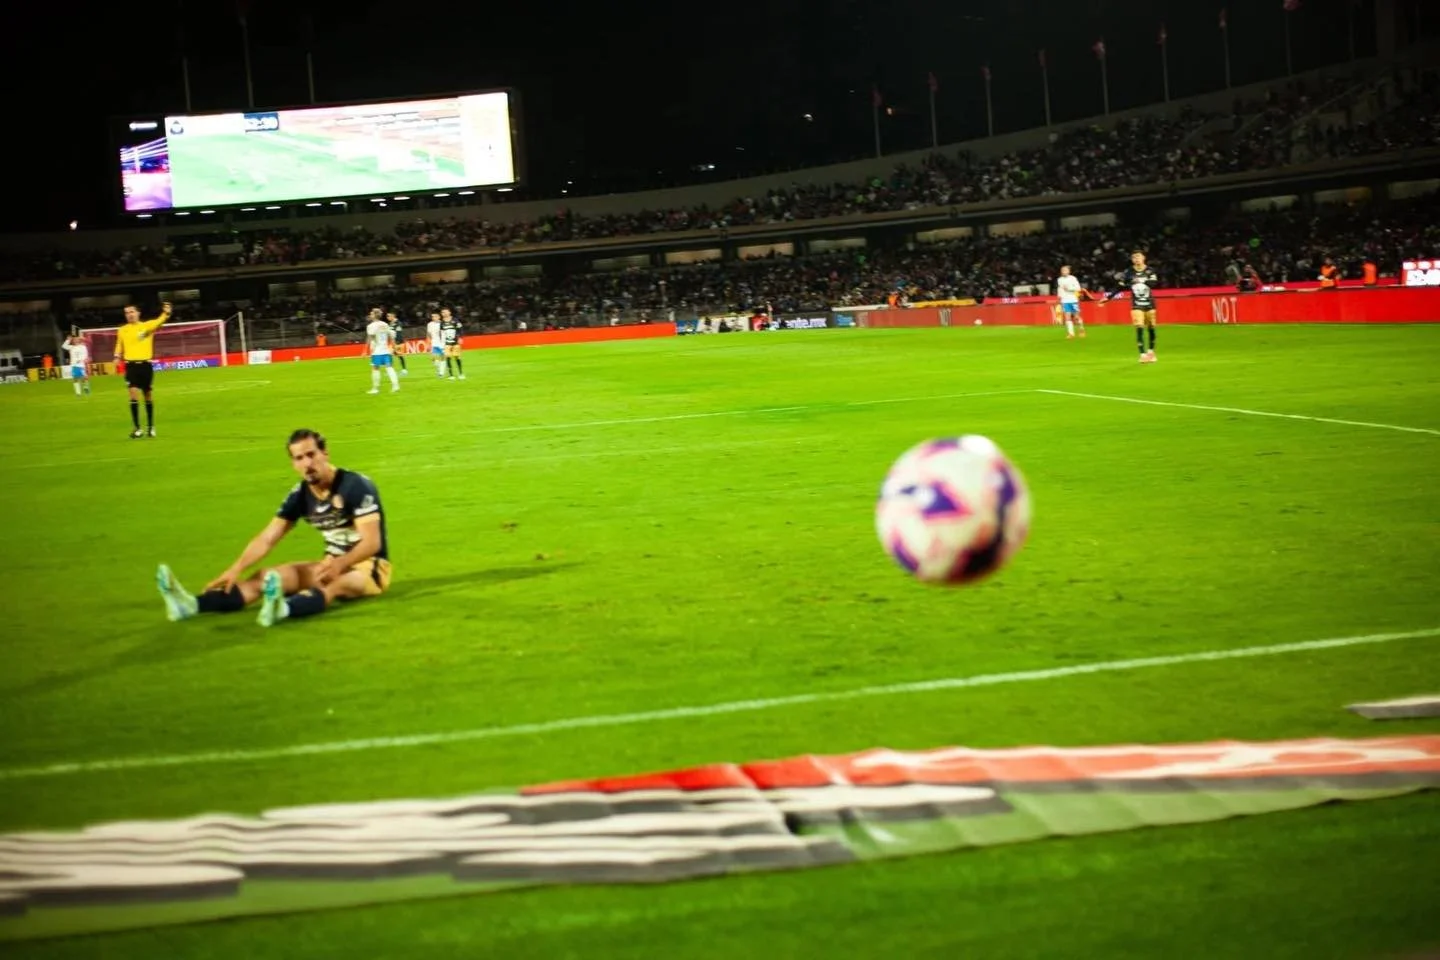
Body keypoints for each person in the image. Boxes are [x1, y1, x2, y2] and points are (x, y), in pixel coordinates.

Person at [156, 429, 391, 628]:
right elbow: (268, 538)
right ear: (293, 463)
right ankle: (190, 604)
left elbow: (372, 543)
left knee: (332, 584)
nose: (307, 464)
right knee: (265, 577)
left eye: (311, 455)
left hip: (370, 569)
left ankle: (283, 608)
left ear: (325, 453)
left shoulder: (355, 485)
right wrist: (235, 569)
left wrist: (339, 564)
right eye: (299, 458)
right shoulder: (300, 495)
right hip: (330, 564)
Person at [114, 300, 172, 437]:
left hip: (146, 366)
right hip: (131, 366)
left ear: (138, 313)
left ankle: (151, 427)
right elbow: (119, 345)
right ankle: (137, 428)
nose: (129, 315)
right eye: (127, 313)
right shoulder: (122, 330)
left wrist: (166, 313)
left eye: (132, 311)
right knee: (133, 394)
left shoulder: (147, 326)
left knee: (147, 395)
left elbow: (160, 321)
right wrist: (116, 356)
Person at [1122, 252, 1159, 363]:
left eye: (1138, 256)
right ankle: (1142, 354)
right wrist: (1108, 297)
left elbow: (1154, 283)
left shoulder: (1150, 270)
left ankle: (1151, 351)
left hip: (1149, 303)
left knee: (1151, 328)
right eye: (1134, 257)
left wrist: (1141, 280)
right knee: (1139, 326)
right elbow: (1121, 285)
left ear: (1143, 258)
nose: (1136, 259)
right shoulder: (1129, 272)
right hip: (1136, 304)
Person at [365, 308, 401, 394]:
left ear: (375, 315)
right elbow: (391, 336)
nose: (370, 315)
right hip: (386, 350)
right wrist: (394, 347)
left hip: (377, 351)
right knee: (389, 368)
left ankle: (375, 388)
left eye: (371, 314)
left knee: (375, 368)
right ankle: (396, 386)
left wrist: (365, 350)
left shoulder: (370, 326)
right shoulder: (385, 324)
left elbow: (370, 338)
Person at [1055, 265, 1085, 339]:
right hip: (1065, 301)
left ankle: (1081, 329)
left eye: (1065, 270)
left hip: (1073, 300)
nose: (1063, 272)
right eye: (1062, 270)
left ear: (1069, 271)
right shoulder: (1059, 279)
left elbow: (1078, 288)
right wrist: (1059, 298)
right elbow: (1060, 289)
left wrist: (1069, 289)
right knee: (1067, 317)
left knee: (1076, 317)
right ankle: (1071, 333)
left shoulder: (1073, 278)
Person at [440, 307, 465, 380]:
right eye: (442, 312)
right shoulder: (442, 323)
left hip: (455, 342)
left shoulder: (455, 320)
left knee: (457, 357)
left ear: (449, 312)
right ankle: (451, 375)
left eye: (445, 312)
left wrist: (460, 338)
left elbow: (461, 329)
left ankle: (460, 373)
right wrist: (442, 342)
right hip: (447, 343)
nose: (444, 313)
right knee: (448, 357)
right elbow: (442, 333)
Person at [63, 331, 91, 397]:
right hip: (74, 365)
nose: (75, 340)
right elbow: (64, 346)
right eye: (74, 339)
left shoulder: (83, 347)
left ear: (79, 340)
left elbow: (85, 355)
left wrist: (82, 360)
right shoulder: (71, 347)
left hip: (81, 365)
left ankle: (85, 387)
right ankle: (78, 393)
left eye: (76, 339)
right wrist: (68, 340)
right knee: (75, 379)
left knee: (84, 378)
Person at [386, 310, 409, 375]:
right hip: (393, 343)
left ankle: (404, 370)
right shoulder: (390, 323)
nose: (387, 317)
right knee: (389, 355)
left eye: (388, 316)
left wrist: (397, 343)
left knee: (400, 356)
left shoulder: (398, 323)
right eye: (387, 316)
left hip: (398, 342)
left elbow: (399, 333)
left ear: (393, 316)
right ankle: (391, 370)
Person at [426, 310, 445, 378]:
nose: (434, 318)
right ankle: (439, 369)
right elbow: (428, 335)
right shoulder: (430, 324)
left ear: (439, 317)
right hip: (434, 343)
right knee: (433, 358)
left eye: (435, 316)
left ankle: (441, 373)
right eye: (432, 316)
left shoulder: (443, 323)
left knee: (442, 357)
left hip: (442, 343)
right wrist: (428, 344)